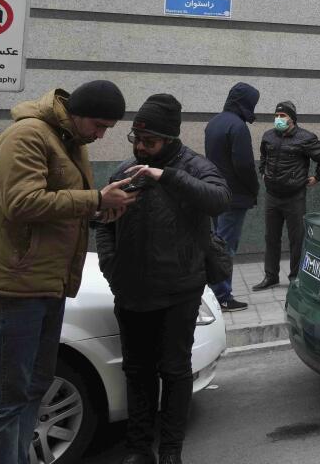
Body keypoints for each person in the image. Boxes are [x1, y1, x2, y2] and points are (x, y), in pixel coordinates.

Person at [0, 81, 137, 464]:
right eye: (100, 125)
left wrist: (98, 209)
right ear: (78, 113)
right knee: (6, 396)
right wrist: (96, 199)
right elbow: (21, 203)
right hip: (17, 285)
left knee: (34, 387)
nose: (101, 135)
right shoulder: (28, 136)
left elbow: (58, 205)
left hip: (47, 282)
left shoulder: (68, 140)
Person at [96, 94, 230, 464]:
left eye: (149, 142)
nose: (140, 148)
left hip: (178, 292)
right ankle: (139, 450)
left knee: (173, 371)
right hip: (131, 291)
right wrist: (111, 265)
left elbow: (220, 198)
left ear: (170, 139)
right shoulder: (125, 170)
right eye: (136, 140)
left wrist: (166, 176)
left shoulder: (195, 167)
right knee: (137, 372)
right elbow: (103, 223)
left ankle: (171, 451)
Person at [253, 101, 320, 290]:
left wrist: (318, 177)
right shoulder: (268, 136)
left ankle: (295, 277)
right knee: (271, 237)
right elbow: (264, 156)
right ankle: (271, 276)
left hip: (294, 196)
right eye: (277, 116)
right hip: (272, 195)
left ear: (292, 119)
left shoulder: (306, 138)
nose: (278, 119)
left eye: (283, 116)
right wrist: (263, 170)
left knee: (296, 239)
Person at [203, 82, 260, 312]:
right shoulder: (238, 127)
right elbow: (244, 165)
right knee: (225, 247)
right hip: (234, 197)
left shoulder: (214, 123)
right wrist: (254, 188)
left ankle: (214, 290)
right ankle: (222, 295)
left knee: (217, 242)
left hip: (215, 194)